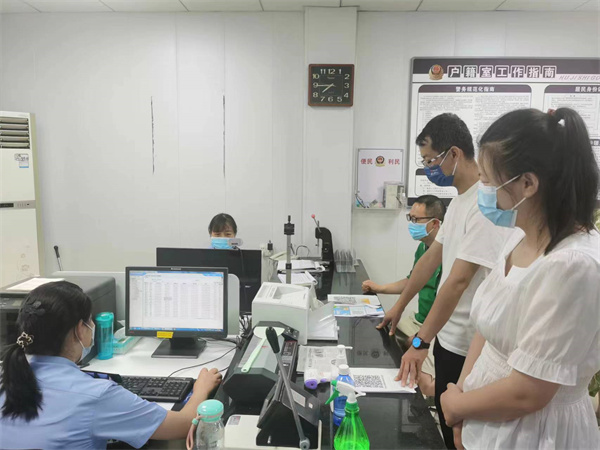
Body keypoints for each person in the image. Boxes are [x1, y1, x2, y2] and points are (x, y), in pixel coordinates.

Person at [440, 108, 600, 449]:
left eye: (487, 180)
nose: (482, 190)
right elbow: (487, 327)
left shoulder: (573, 265)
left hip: (535, 433)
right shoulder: (517, 236)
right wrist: (463, 394)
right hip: (484, 415)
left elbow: (529, 392)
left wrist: (457, 406)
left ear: (527, 184)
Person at [376, 113, 512, 449]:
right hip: (449, 338)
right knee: (448, 429)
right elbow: (430, 260)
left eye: (429, 160)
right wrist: (399, 306)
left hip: (471, 346)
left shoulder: (484, 206)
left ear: (454, 153)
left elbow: (458, 281)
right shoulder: (459, 201)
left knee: (461, 436)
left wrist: (420, 342)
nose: (428, 169)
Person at [0, 281, 223, 449]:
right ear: (80, 330)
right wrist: (201, 388)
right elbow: (183, 425)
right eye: (90, 320)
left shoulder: (8, 375)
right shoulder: (95, 396)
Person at [362, 195, 446, 397]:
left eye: (416, 220)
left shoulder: (449, 253)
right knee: (384, 336)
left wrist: (419, 339)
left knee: (426, 384)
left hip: (438, 328)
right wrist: (380, 288)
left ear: (435, 223)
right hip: (418, 319)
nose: (412, 224)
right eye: (410, 218)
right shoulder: (423, 247)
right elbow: (412, 281)